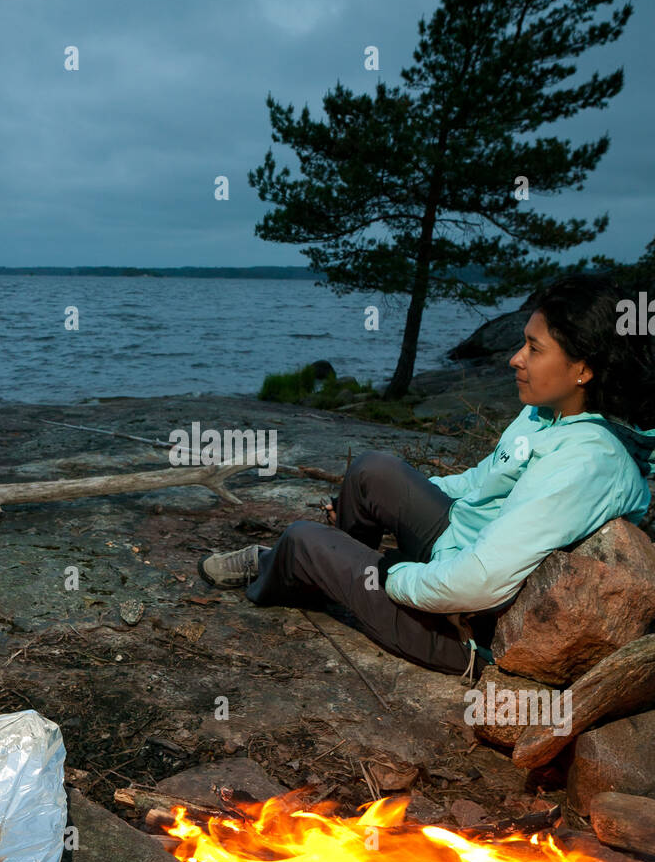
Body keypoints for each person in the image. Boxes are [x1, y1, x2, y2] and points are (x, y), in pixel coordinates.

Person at [199, 273, 655, 684]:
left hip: (468, 625)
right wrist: (421, 493)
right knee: (371, 471)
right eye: (523, 343)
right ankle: (321, 574)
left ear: (583, 368)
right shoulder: (546, 413)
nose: (515, 359)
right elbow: (483, 482)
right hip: (460, 544)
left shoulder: (587, 462)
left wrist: (395, 576)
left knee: (303, 538)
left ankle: (288, 566)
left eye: (534, 349)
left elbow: (480, 581)